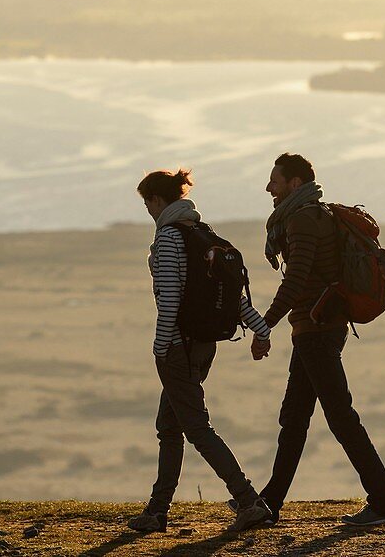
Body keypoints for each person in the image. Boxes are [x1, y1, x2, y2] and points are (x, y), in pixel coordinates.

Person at [254, 152, 385, 526]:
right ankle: (270, 503)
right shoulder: (316, 215)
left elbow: (296, 279)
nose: (268, 187)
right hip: (317, 328)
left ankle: (383, 502)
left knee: (339, 416)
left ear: (295, 183)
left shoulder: (302, 221)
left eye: (275, 179)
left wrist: (264, 324)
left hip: (317, 329)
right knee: (295, 418)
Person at [127, 168, 274, 534]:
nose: (147, 209)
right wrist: (261, 329)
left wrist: (162, 347)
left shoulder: (168, 239)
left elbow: (170, 298)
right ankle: (157, 511)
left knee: (196, 428)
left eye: (147, 202)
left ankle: (248, 500)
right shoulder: (201, 235)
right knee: (170, 425)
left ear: (158, 201)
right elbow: (232, 298)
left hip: (178, 346)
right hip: (204, 345)